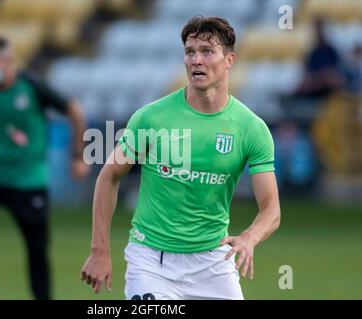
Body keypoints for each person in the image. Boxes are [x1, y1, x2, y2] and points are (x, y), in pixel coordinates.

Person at [81, 16, 280, 300]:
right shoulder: (152, 118)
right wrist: (99, 252)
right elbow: (109, 177)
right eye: (190, 52)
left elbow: (271, 208)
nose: (196, 60)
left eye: (206, 51)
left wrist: (249, 238)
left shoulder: (251, 128)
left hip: (214, 264)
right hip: (151, 261)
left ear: (229, 60)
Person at [0, 36, 90, 300]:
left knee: (37, 249)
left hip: (27, 182)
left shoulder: (32, 86)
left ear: (8, 62)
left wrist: (78, 156)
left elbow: (75, 111)